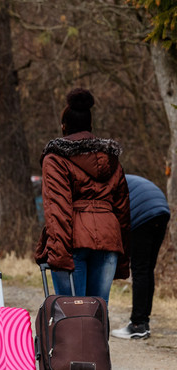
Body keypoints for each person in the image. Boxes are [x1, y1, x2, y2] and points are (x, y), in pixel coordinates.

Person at [35, 88, 130, 304]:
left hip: (72, 241)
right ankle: (99, 339)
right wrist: (123, 256)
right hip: (108, 239)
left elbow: (57, 208)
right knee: (98, 310)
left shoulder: (56, 159)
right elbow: (123, 210)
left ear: (64, 127)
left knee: (71, 312)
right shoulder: (112, 159)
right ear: (90, 126)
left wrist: (58, 254)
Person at [111, 174, 170, 339]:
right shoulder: (122, 178)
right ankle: (143, 323)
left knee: (140, 270)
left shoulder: (107, 185)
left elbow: (114, 222)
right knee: (147, 269)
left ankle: (137, 325)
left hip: (143, 215)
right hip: (161, 211)